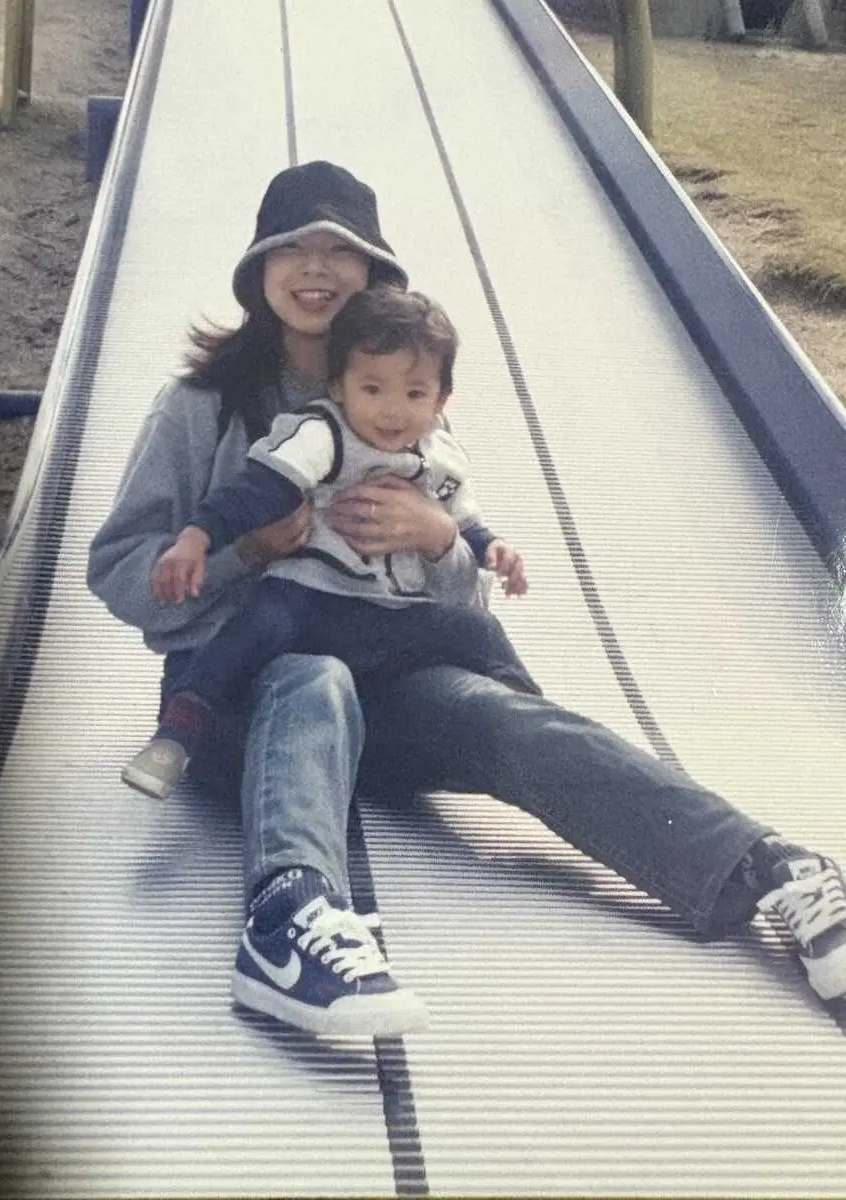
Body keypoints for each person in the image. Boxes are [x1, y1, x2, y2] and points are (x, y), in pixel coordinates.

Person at [88, 159, 846, 1040]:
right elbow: (119, 570)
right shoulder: (202, 406)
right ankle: (287, 923)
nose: (316, 268)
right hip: (238, 702)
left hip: (384, 692)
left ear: (376, 277)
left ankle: (770, 869)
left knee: (500, 714)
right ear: (258, 270)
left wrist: (438, 540)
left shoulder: (405, 403)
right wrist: (242, 552)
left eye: (342, 251)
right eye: (291, 249)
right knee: (312, 676)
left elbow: (461, 608)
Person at [120, 286, 536, 802]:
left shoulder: (439, 453)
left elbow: (464, 519)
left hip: (381, 614)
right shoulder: (323, 434)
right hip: (309, 602)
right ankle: (180, 729)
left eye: (414, 395)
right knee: (255, 625)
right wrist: (197, 537)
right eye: (373, 389)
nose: (392, 411)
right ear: (339, 388)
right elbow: (258, 489)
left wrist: (491, 548)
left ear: (440, 399)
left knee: (477, 629)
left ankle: (525, 716)